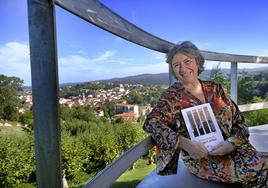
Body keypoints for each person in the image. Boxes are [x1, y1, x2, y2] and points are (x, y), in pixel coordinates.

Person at [143, 41, 268, 187]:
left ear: (197, 62)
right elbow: (151, 123)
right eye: (176, 65)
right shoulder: (171, 96)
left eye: (187, 61)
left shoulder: (215, 89)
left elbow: (239, 121)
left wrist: (231, 143)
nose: (183, 68)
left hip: (235, 149)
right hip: (203, 159)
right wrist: (185, 144)